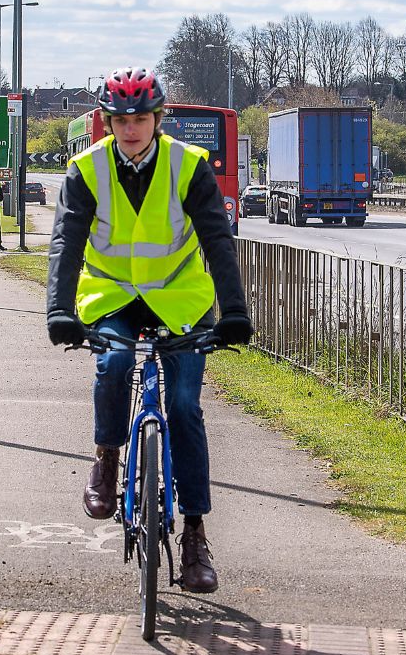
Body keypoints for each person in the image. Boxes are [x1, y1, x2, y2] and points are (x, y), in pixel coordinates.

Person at [45, 67, 252, 593]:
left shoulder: (190, 168)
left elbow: (217, 243)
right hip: (113, 295)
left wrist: (234, 313)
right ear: (107, 121)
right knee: (113, 363)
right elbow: (66, 244)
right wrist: (59, 311)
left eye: (140, 118)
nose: (130, 127)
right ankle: (106, 459)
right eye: (120, 119)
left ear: (159, 119)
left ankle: (195, 536)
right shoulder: (85, 170)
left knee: (183, 407)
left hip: (178, 298)